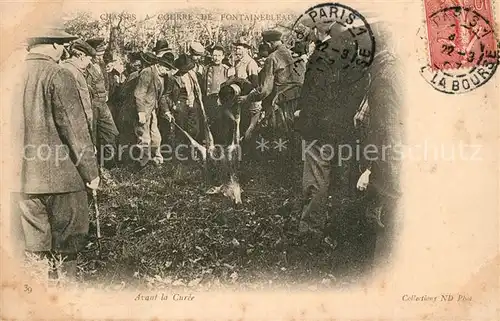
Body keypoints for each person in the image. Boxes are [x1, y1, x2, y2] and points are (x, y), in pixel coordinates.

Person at [13, 25, 100, 279]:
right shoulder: (58, 74)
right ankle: (66, 297)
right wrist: (90, 172)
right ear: (53, 45)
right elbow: (73, 128)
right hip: (62, 180)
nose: (63, 50)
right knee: (67, 247)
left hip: (22, 180)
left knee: (35, 249)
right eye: (62, 45)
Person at [294, 21, 371, 246]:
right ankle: (339, 231)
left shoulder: (321, 56)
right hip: (345, 129)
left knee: (316, 180)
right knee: (341, 181)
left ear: (321, 31)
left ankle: (310, 232)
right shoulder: (356, 57)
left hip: (320, 129)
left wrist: (303, 116)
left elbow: (315, 94)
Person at [237, 30, 304, 141]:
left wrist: (247, 98)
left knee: (279, 137)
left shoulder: (272, 58)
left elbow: (265, 90)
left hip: (281, 104)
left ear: (268, 43)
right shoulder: (293, 55)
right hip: (298, 102)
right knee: (294, 135)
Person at [134, 53, 175, 166]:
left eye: (169, 70)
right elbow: (139, 93)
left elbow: (160, 96)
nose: (167, 72)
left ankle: (157, 159)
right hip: (143, 110)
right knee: (144, 137)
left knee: (156, 136)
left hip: (152, 110)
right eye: (166, 68)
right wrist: (140, 112)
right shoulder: (147, 72)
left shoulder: (163, 76)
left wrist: (166, 111)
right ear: (159, 64)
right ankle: (143, 163)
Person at [85, 38, 119, 171]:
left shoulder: (103, 64)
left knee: (111, 132)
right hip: (92, 105)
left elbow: (106, 82)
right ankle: (95, 168)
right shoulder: (86, 66)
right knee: (92, 135)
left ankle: (108, 164)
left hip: (103, 104)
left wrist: (107, 94)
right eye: (98, 54)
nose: (100, 57)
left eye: (102, 54)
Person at [61, 39, 97, 140]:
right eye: (89, 59)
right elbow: (86, 107)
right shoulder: (76, 74)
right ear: (81, 56)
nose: (89, 63)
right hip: (77, 127)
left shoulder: (62, 67)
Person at [202, 45, 233, 143]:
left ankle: (222, 143)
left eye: (219, 55)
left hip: (221, 100)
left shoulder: (226, 69)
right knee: (209, 121)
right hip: (208, 100)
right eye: (214, 55)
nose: (216, 58)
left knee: (221, 122)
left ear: (223, 56)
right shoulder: (206, 68)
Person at [232, 36, 261, 142]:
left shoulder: (251, 63)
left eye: (240, 49)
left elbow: (256, 85)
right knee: (241, 126)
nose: (237, 51)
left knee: (250, 129)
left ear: (247, 49)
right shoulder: (237, 63)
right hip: (240, 100)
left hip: (250, 100)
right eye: (236, 48)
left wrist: (247, 97)